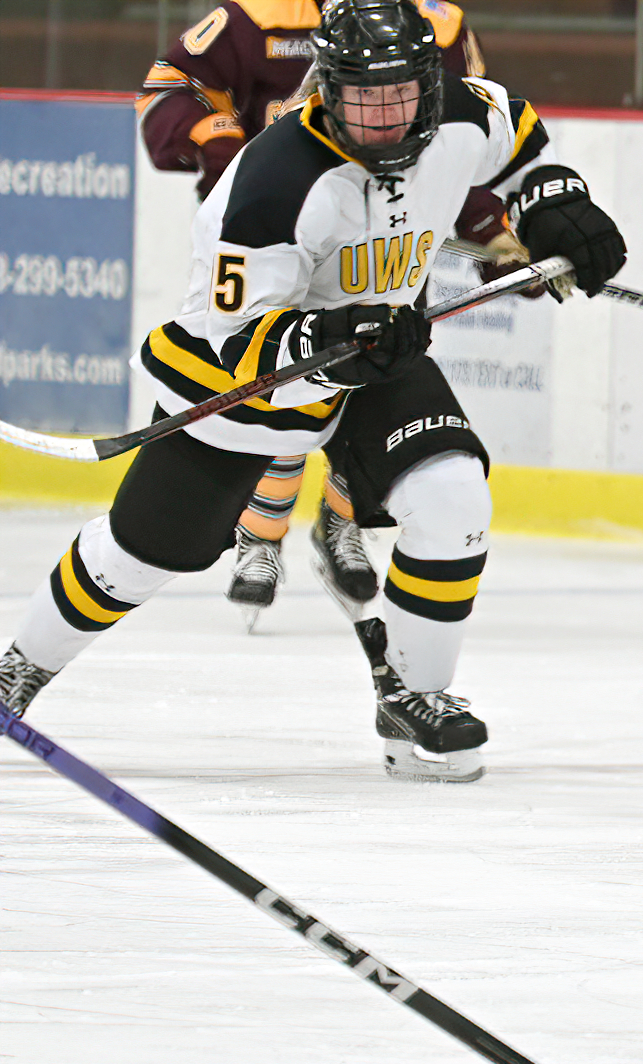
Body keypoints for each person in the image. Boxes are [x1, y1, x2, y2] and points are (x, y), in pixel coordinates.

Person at [0, 0, 626, 783]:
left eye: (401, 93)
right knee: (144, 552)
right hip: (252, 374)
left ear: (430, 84)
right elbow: (237, 339)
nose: (384, 116)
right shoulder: (269, 182)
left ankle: (414, 704)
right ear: (326, 88)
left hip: (382, 346)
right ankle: (18, 668)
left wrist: (555, 201)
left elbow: (523, 136)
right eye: (363, 96)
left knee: (454, 493)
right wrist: (323, 342)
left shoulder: (463, 111)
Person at [135, 0, 506, 629]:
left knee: (377, 390)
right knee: (278, 385)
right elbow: (171, 87)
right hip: (272, 242)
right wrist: (228, 150)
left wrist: (491, 229)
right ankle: (262, 529)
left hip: (376, 253)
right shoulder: (257, 15)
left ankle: (342, 519)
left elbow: (447, 135)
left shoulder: (430, 23)